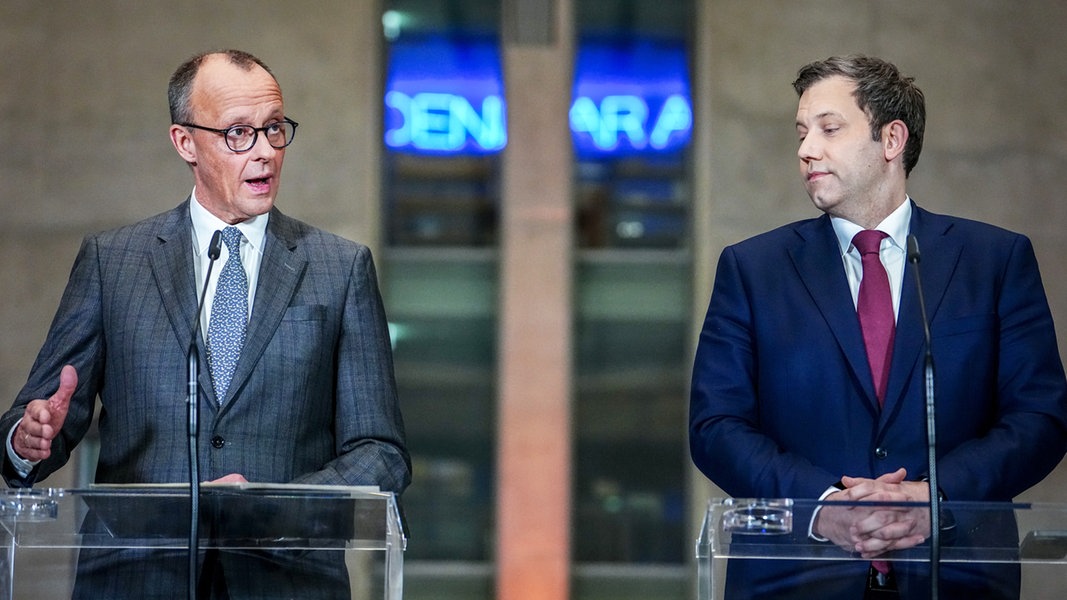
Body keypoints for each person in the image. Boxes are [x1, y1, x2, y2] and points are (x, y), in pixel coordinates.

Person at [0, 49, 410, 598]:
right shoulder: (113, 261)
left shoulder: (340, 269)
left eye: (273, 129)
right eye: (239, 133)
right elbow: (38, 418)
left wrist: (269, 505)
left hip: (282, 580)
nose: (265, 151)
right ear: (185, 143)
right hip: (135, 579)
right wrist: (28, 440)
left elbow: (381, 454)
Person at [689, 55, 1067, 599]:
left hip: (953, 577)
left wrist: (933, 497)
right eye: (801, 133)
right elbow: (715, 426)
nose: (805, 150)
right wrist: (823, 507)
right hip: (796, 579)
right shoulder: (752, 269)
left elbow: (1040, 419)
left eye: (829, 129)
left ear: (892, 139)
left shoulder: (995, 261)